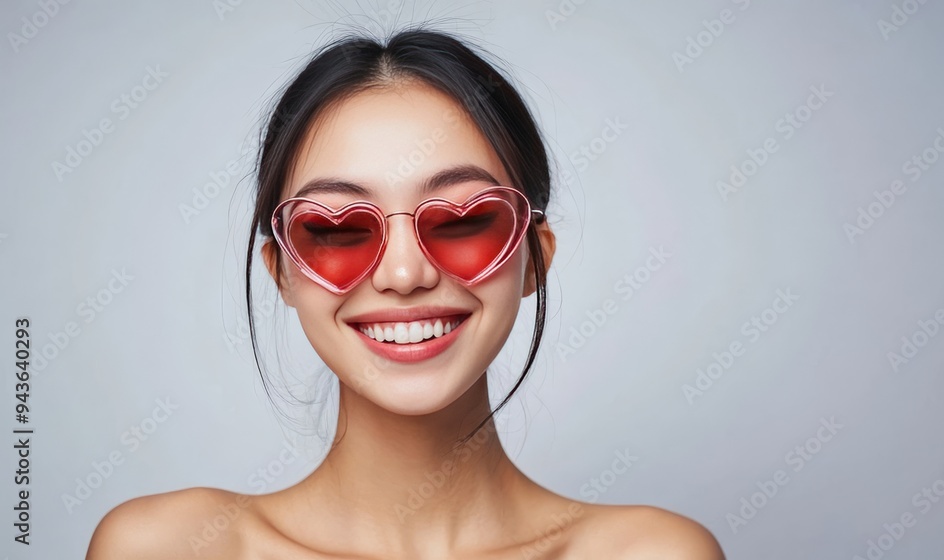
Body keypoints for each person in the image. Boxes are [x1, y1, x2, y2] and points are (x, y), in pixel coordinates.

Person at [86, 27, 725, 559]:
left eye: (462, 220)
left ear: (535, 256)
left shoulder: (654, 553)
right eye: (336, 228)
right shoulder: (166, 548)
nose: (403, 274)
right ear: (280, 271)